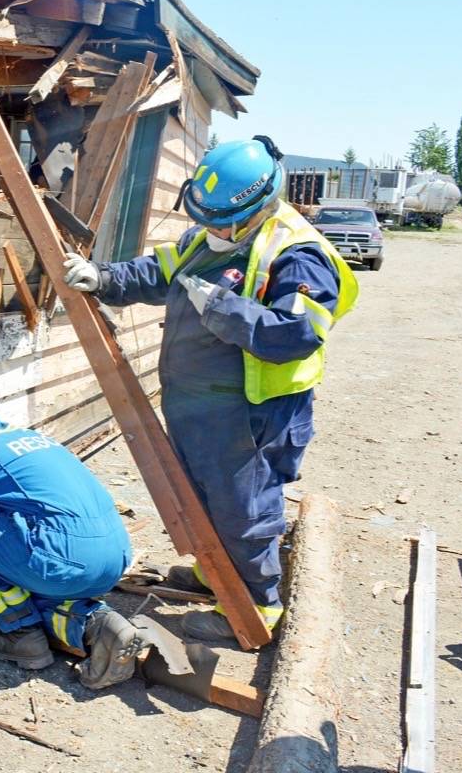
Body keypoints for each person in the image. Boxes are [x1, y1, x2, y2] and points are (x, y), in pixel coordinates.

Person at [62, 135, 359, 642]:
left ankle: (254, 605)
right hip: (200, 404)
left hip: (253, 413)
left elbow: (296, 334)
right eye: (204, 219)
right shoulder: (211, 238)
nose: (209, 231)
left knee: (243, 508)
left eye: (220, 223)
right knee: (201, 495)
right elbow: (159, 270)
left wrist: (220, 307)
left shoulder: (297, 254)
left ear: (258, 205)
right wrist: (104, 277)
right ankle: (214, 576)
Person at [0, 375, 178, 688]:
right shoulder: (37, 439)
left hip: (62, 560)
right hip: (113, 560)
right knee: (27, 576)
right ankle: (95, 625)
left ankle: (19, 632)